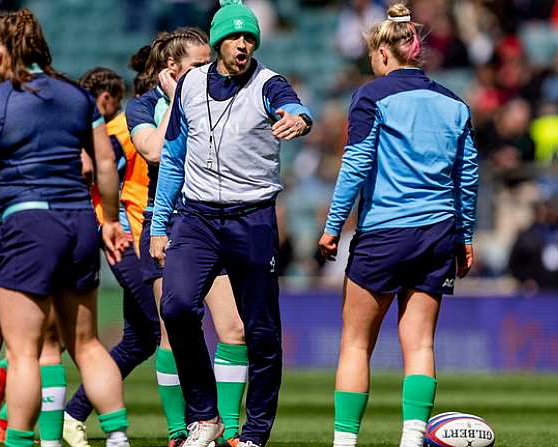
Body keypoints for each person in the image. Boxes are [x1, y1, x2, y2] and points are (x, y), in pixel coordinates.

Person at [0, 9, 131, 447]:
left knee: (24, 352)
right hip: (79, 222)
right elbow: (104, 165)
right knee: (86, 344)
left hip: (30, 225)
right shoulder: (76, 97)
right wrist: (109, 219)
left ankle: (17, 443)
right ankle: (118, 437)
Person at [149, 1, 313, 446]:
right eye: (235, 37)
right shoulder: (188, 86)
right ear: (218, 40)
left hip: (252, 218)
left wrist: (299, 120)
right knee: (177, 307)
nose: (243, 45)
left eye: (250, 38)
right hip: (197, 218)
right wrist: (158, 224)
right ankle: (205, 417)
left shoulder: (267, 84)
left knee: (261, 331)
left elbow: (293, 105)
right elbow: (173, 156)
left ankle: (254, 433)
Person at [317, 4, 478, 447]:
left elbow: (356, 164)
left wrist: (333, 226)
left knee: (355, 343)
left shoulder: (371, 96)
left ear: (384, 54)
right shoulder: (454, 102)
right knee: (421, 343)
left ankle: (345, 443)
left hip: (385, 231)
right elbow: (467, 176)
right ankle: (412, 440)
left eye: (373, 55)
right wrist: (465, 236)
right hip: (438, 233)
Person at [127, 26, 249, 447]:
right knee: (172, 329)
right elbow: (156, 152)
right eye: (197, 65)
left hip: (212, 222)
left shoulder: (222, 97)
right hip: (166, 225)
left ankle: (230, 431)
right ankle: (181, 430)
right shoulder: (142, 107)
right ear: (172, 68)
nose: (207, 71)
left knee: (233, 328)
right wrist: (179, 99)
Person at [62, 67, 160, 447]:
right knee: (165, 326)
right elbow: (98, 175)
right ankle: (191, 424)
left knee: (140, 340)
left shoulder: (127, 126)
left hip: (141, 239)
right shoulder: (120, 131)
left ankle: (72, 414)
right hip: (126, 240)